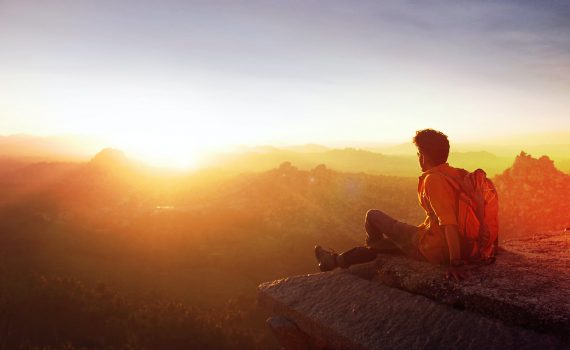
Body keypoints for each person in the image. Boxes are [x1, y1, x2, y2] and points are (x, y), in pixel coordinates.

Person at [315, 129, 468, 280]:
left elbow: (450, 223)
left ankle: (367, 254)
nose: (418, 157)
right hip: (463, 247)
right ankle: (337, 260)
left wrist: (455, 262)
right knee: (390, 243)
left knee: (372, 216)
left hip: (433, 249)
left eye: (419, 153)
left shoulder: (433, 180)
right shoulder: (457, 174)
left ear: (423, 156)